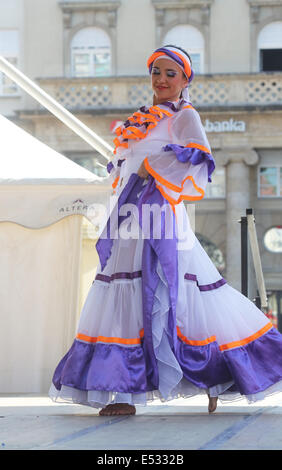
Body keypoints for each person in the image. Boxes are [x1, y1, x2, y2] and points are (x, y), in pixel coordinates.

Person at [49, 45, 282, 416]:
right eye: (156, 72)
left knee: (184, 296)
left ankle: (218, 375)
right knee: (125, 294)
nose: (161, 80)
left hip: (160, 217)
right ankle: (124, 392)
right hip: (129, 216)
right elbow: (125, 166)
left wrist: (151, 165)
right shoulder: (142, 117)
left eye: (170, 73)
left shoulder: (186, 115)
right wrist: (129, 171)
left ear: (185, 79)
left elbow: (200, 156)